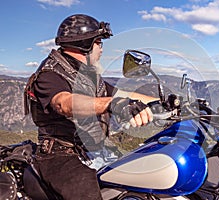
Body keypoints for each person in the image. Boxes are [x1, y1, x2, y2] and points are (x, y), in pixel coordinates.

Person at [24, 14, 157, 200]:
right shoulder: (50, 74)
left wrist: (166, 103)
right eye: (99, 43)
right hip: (61, 155)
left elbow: (123, 95)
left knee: (143, 174)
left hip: (94, 150)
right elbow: (64, 103)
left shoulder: (88, 77)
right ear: (86, 45)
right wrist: (113, 104)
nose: (101, 49)